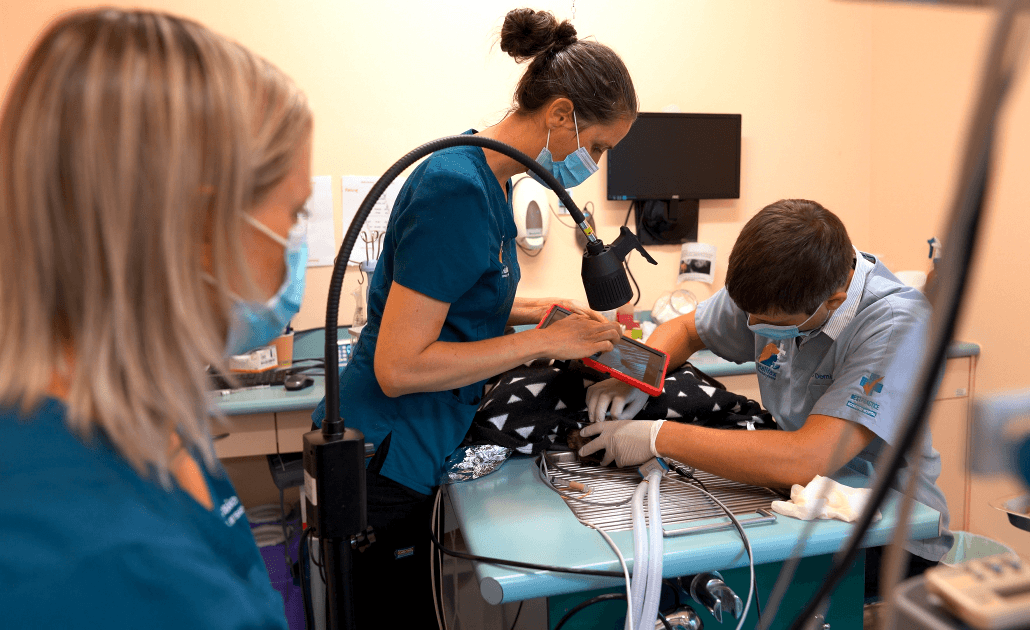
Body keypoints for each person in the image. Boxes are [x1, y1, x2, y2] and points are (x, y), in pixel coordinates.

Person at [310, 7, 634, 625]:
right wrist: (546, 345)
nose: (591, 162)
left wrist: (544, 311)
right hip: (382, 452)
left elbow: (452, 298)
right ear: (561, 114)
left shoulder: (491, 177)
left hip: (414, 441)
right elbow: (399, 366)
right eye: (595, 146)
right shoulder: (456, 187)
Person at [0, 9, 312, 628]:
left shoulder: (131, 420)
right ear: (199, 228)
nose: (296, 243)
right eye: (293, 214)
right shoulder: (113, 566)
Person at [580, 199, 953, 595]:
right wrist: (639, 375)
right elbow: (687, 329)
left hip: (889, 536)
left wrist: (656, 436)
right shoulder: (782, 282)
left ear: (834, 301)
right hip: (800, 503)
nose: (751, 327)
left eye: (772, 323)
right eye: (748, 314)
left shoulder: (896, 327)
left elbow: (806, 458)